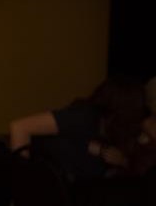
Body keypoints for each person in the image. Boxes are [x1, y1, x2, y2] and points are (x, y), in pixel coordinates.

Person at [8, 76, 148, 180]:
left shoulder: (115, 135)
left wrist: (122, 161)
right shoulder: (83, 116)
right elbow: (20, 127)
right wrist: (24, 195)